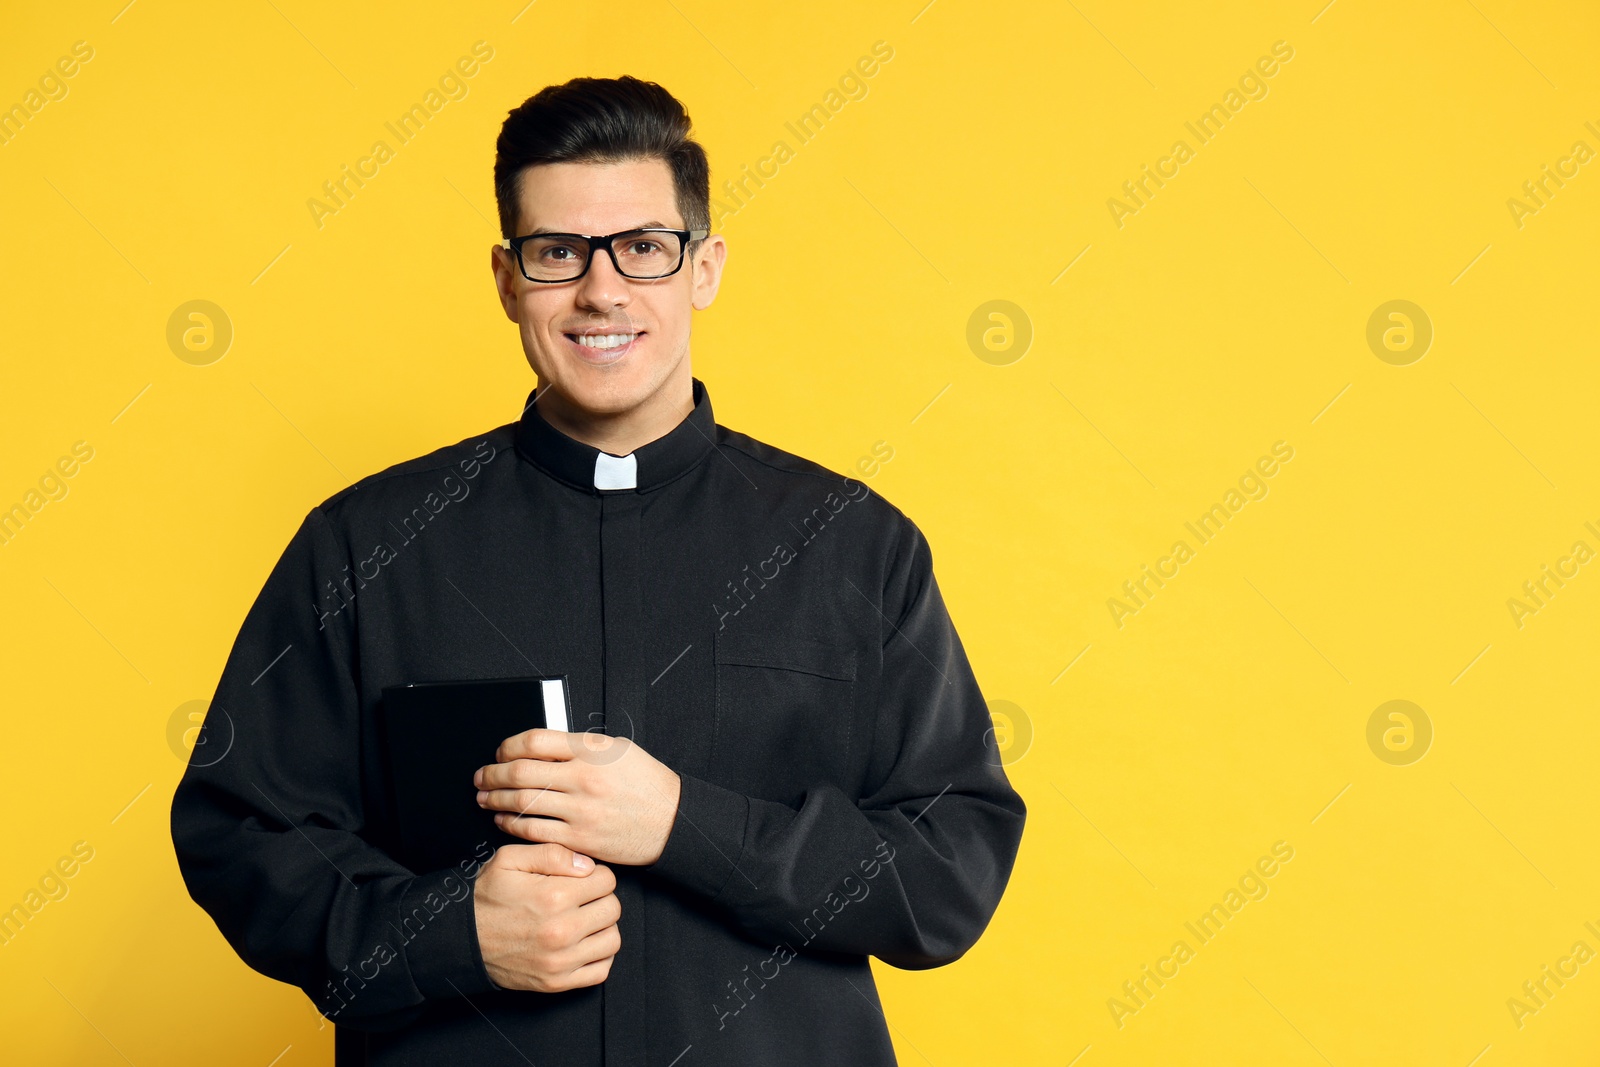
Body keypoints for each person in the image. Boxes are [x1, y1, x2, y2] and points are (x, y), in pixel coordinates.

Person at [170, 74, 1026, 1066]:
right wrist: (442, 934)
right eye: (557, 252)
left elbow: (949, 870)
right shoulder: (368, 541)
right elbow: (241, 829)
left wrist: (684, 822)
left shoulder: (853, 545)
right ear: (506, 278)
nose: (602, 290)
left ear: (702, 267)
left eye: (644, 249)